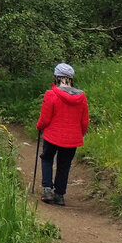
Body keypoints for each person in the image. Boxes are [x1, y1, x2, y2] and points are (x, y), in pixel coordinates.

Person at [36, 62, 89, 206]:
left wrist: (39, 127)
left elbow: (45, 118)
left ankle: (47, 190)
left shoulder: (51, 94)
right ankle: (59, 195)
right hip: (73, 137)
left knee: (47, 158)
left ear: (56, 77)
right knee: (64, 164)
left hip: (52, 135)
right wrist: (79, 134)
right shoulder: (81, 97)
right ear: (71, 78)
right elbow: (84, 121)